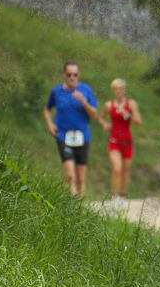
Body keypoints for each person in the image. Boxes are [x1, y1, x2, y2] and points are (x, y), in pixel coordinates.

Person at [44, 61, 100, 196]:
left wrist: (83, 101)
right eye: (69, 74)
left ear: (78, 75)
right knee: (70, 175)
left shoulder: (86, 90)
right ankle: (71, 200)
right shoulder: (57, 91)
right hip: (63, 134)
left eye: (75, 75)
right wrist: (50, 123)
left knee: (81, 178)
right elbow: (47, 109)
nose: (72, 77)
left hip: (82, 136)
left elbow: (94, 115)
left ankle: (79, 206)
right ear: (64, 74)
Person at [100, 78, 142, 206]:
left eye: (121, 89)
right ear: (113, 90)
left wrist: (128, 115)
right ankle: (114, 196)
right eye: (116, 89)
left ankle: (123, 195)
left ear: (124, 90)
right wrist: (105, 124)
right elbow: (101, 118)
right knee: (117, 168)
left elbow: (139, 122)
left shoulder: (131, 104)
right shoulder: (108, 105)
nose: (119, 91)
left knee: (125, 171)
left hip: (128, 142)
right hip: (114, 142)